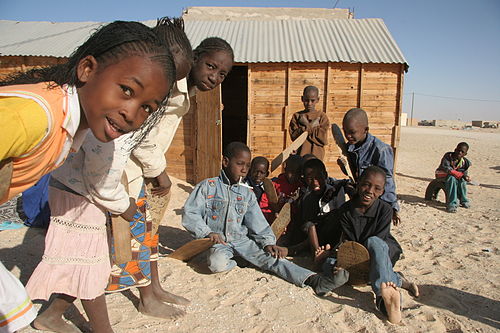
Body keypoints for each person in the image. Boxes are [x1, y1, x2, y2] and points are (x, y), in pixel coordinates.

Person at [22, 20, 176, 333]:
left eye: (147, 106)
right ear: (87, 69)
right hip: (80, 198)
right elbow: (102, 184)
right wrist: (126, 206)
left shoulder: (103, 120)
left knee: (85, 262)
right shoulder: (107, 135)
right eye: (127, 91)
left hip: (79, 194)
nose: (131, 113)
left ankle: (50, 316)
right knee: (92, 268)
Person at [105, 35, 234, 317]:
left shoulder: (186, 91)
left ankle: (154, 288)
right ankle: (146, 298)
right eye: (211, 66)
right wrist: (160, 174)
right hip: (128, 170)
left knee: (150, 232)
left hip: (141, 171)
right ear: (196, 57)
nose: (214, 77)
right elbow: (141, 135)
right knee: (135, 235)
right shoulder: (168, 87)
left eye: (222, 74)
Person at [182, 142, 349, 297]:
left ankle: (314, 280)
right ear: (225, 162)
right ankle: (241, 261)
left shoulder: (246, 193)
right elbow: (191, 214)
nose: (244, 169)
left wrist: (268, 242)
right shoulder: (207, 187)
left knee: (273, 259)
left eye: (247, 165)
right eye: (240, 164)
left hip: (242, 241)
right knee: (215, 264)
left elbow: (257, 222)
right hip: (219, 243)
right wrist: (207, 232)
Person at [321, 166, 418, 324]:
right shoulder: (346, 210)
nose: (369, 190)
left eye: (377, 188)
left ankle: (383, 297)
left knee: (374, 242)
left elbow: (379, 241)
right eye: (366, 184)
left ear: (381, 191)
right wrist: (342, 261)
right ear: (358, 184)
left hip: (381, 251)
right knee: (330, 265)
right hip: (357, 252)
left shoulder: (385, 210)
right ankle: (396, 279)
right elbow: (351, 243)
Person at [342, 108, 401, 226]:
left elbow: (388, 181)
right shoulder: (350, 147)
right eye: (345, 131)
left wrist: (392, 208)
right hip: (360, 201)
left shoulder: (381, 150)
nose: (348, 136)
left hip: (377, 204)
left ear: (365, 130)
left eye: (352, 132)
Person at [292, 158, 346, 260]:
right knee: (309, 226)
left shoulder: (335, 192)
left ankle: (330, 251)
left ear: (325, 175)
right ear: (305, 179)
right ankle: (317, 254)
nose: (315, 182)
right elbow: (307, 223)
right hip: (314, 235)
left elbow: (340, 215)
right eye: (310, 178)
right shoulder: (306, 197)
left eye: (318, 177)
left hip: (331, 233)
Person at [289, 86, 329, 160]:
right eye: (306, 100)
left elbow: (323, 139)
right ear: (302, 99)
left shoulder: (321, 116)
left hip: (316, 155)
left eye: (312, 100)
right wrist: (310, 126)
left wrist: (306, 126)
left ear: (318, 100)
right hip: (300, 155)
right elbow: (294, 136)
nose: (309, 103)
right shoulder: (297, 116)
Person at [435, 142, 471, 213]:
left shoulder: (465, 162)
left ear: (465, 154)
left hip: (455, 176)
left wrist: (466, 177)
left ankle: (463, 200)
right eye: (458, 150)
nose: (459, 152)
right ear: (455, 149)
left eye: (462, 152)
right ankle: (451, 204)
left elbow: (464, 173)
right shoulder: (448, 156)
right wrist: (458, 174)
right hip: (442, 174)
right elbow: (446, 168)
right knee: (451, 178)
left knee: (462, 181)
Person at [245, 156, 275, 223]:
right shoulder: (244, 186)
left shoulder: (270, 188)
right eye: (255, 171)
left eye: (262, 173)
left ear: (267, 174)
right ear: (250, 171)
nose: (258, 175)